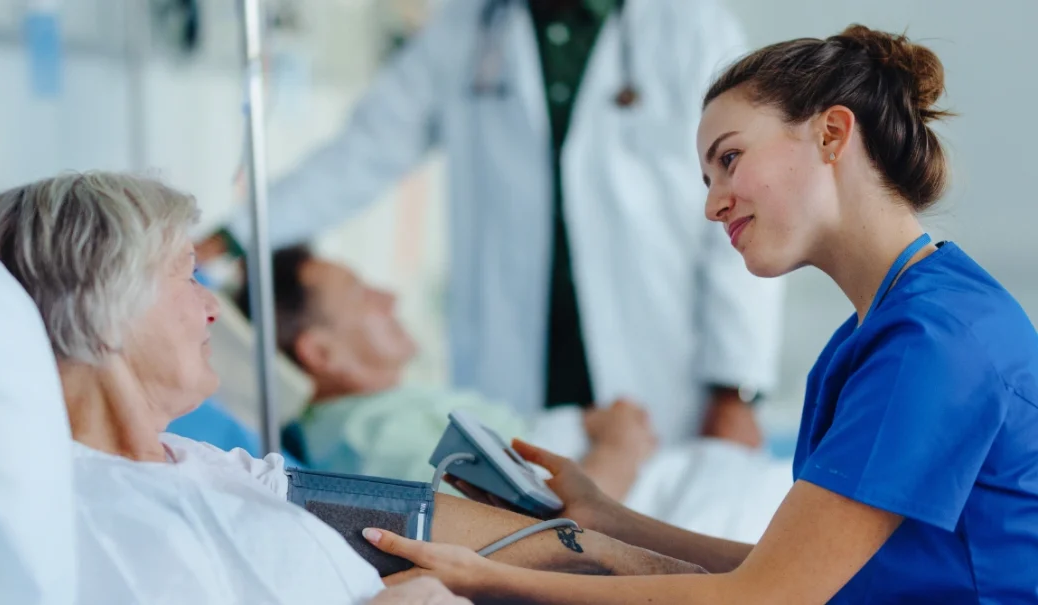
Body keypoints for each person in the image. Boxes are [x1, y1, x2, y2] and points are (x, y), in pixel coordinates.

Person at [356, 25, 1038, 603]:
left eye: (729, 159)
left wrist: (489, 576)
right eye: (709, 178)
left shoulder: (932, 342)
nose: (713, 205)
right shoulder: (883, 329)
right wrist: (609, 520)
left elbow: (764, 596)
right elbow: (785, 572)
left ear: (832, 134)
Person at [0, 171, 703, 604]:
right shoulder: (92, 518)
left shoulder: (208, 466)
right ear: (106, 309)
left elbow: (550, 544)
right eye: (182, 276)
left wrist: (708, 579)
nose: (211, 307)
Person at [199, 0, 784, 448]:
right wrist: (234, 236)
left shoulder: (691, 28)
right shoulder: (467, 29)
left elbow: (741, 206)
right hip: (514, 365)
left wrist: (736, 388)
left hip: (660, 366)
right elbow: (361, 154)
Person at [230, 246, 792, 542]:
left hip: (667, 487)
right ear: (321, 353)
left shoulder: (383, 411)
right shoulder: (370, 438)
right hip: (658, 507)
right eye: (362, 296)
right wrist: (618, 446)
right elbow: (533, 541)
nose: (389, 297)